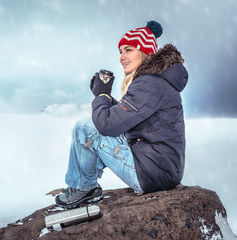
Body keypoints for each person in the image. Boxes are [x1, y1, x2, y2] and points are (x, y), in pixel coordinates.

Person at [55, 21, 189, 208]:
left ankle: (84, 188)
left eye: (128, 50)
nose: (122, 57)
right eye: (120, 51)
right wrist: (107, 97)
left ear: (144, 52)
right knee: (92, 126)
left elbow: (107, 125)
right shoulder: (156, 81)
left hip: (152, 174)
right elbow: (130, 118)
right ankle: (85, 186)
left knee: (85, 127)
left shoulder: (149, 84)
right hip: (161, 169)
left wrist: (101, 95)